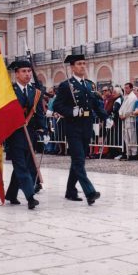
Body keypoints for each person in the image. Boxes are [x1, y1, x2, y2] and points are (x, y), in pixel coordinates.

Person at [53, 54, 111, 205]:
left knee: (78, 160)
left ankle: (70, 191)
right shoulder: (66, 85)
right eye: (79, 64)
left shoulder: (90, 85)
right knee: (79, 160)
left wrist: (106, 118)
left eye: (84, 63)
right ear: (72, 67)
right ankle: (90, 192)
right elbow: (57, 105)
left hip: (86, 125)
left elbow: (96, 104)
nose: (82, 66)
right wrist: (71, 111)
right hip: (73, 127)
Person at [5, 60, 48, 209]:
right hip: (15, 133)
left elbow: (40, 113)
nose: (27, 74)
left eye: (29, 71)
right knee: (21, 166)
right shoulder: (9, 90)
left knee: (25, 166)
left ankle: (11, 194)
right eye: (23, 71)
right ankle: (30, 197)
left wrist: (44, 130)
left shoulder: (35, 91)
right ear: (16, 74)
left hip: (30, 133)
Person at [119, 83, 138, 160]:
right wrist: (120, 114)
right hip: (124, 119)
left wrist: (124, 115)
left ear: (131, 88)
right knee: (126, 137)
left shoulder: (133, 97)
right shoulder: (126, 97)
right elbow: (122, 108)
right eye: (125, 88)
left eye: (127, 88)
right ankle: (128, 152)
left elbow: (130, 109)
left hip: (130, 119)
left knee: (132, 136)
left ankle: (134, 153)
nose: (126, 89)